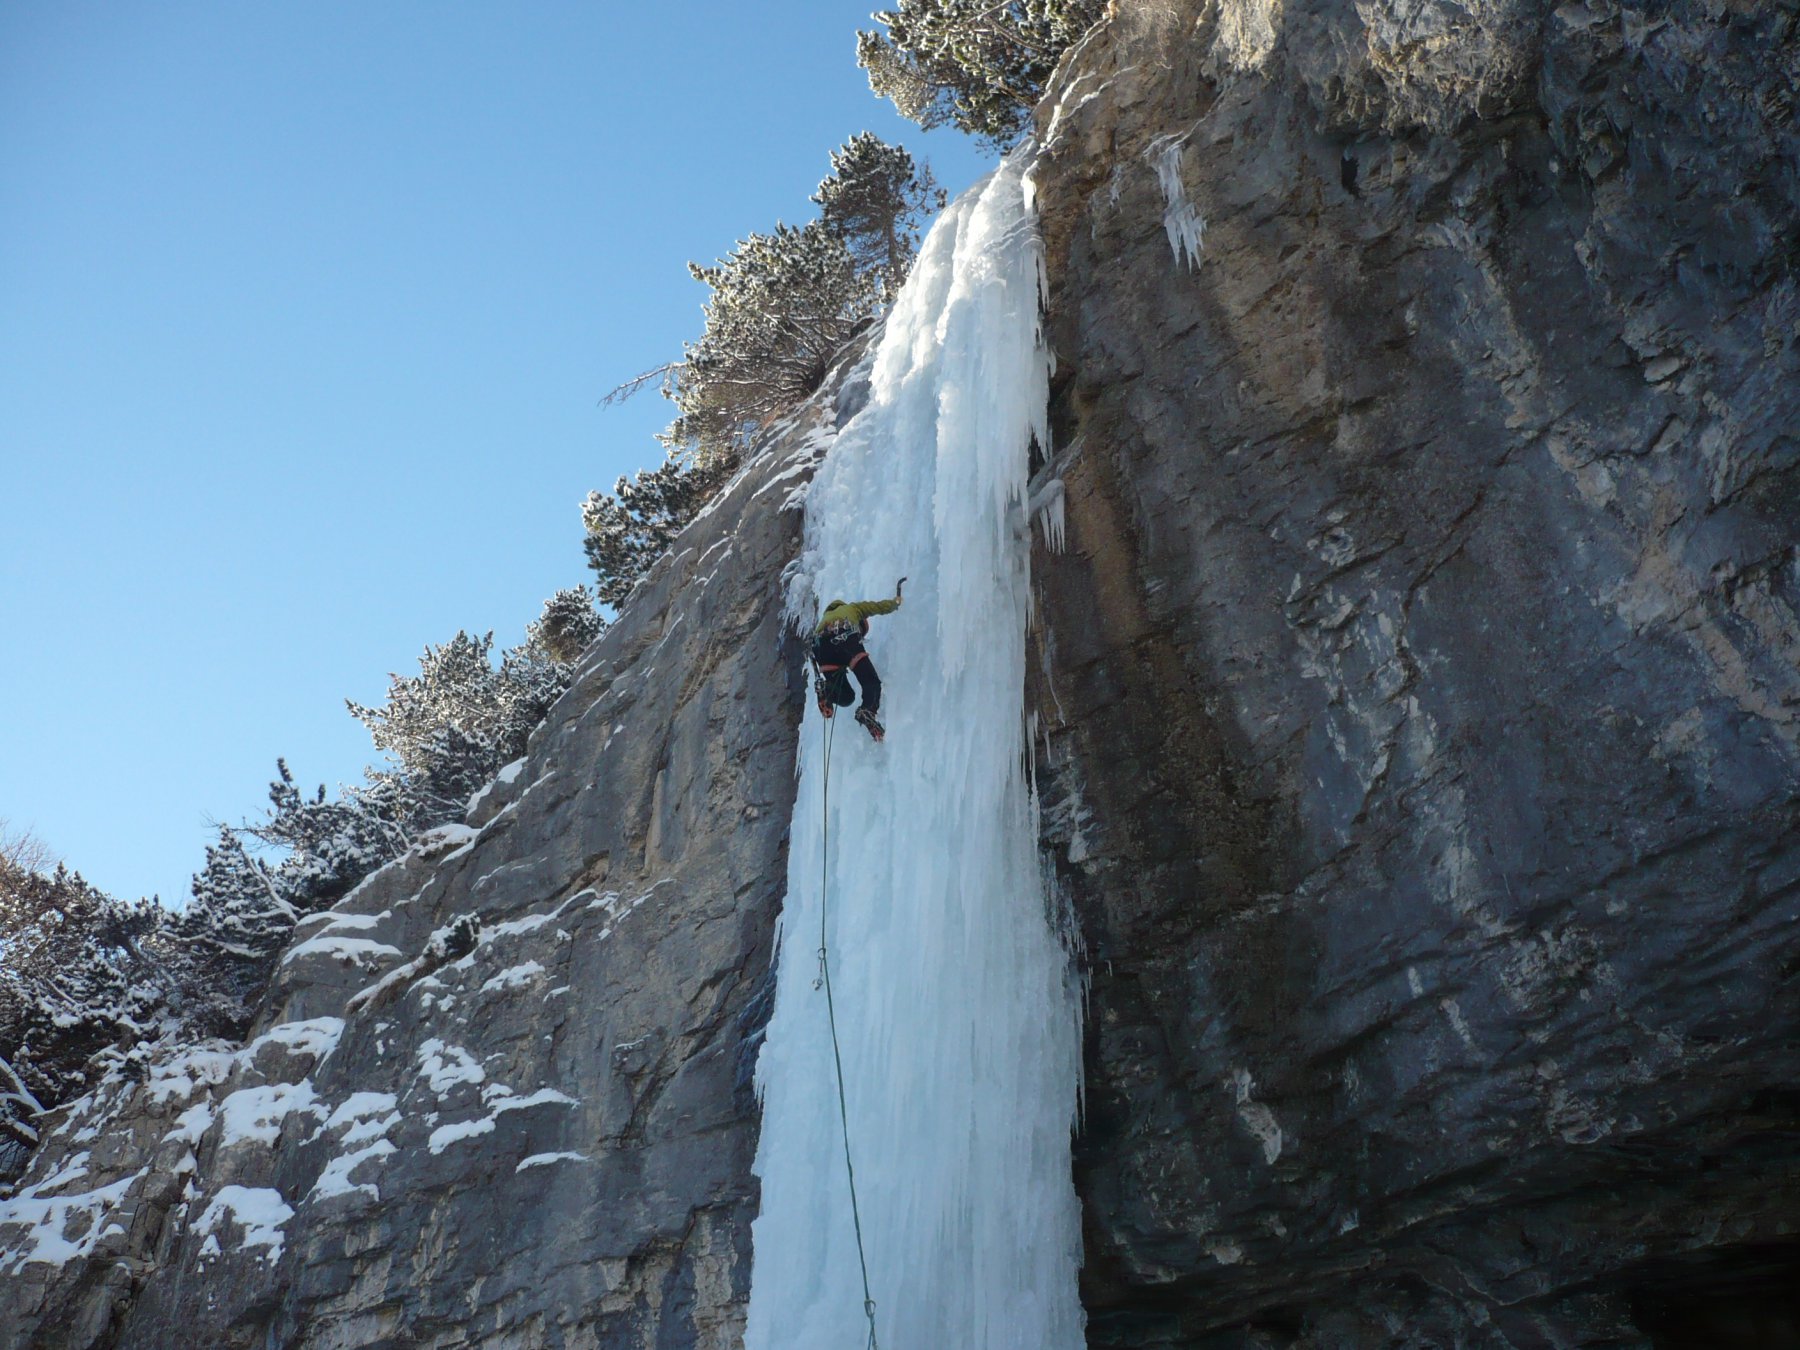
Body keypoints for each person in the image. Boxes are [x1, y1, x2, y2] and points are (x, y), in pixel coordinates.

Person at [812, 578, 905, 741]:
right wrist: (895, 602)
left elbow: (814, 647)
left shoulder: (822, 621)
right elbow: (878, 607)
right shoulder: (853, 608)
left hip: (823, 650)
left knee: (846, 697)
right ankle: (867, 709)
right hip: (846, 638)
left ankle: (826, 691)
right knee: (871, 683)